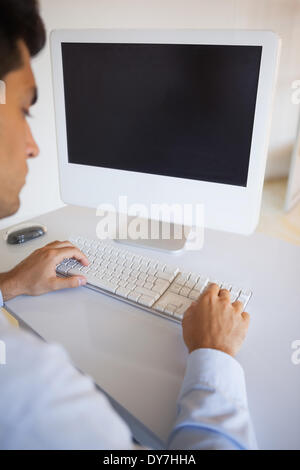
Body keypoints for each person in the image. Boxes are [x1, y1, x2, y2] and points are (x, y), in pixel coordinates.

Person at [0, 0, 257, 450]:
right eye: (24, 110)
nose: (34, 146)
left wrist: (8, 283)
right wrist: (214, 357)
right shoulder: (31, 391)